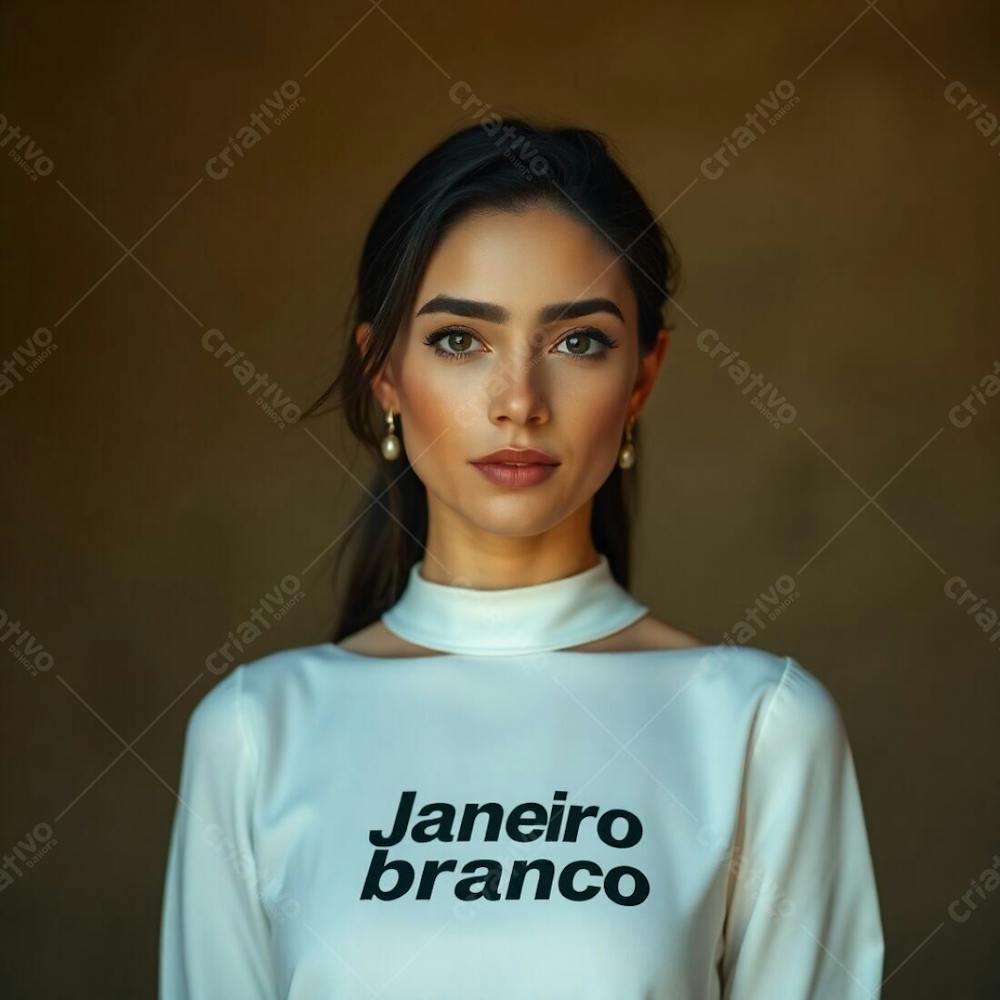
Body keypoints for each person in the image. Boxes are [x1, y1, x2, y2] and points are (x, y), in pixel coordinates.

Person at [159, 117, 884, 998]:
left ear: (643, 376)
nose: (518, 402)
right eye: (460, 340)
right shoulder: (254, 733)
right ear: (383, 372)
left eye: (579, 341)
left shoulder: (758, 728)